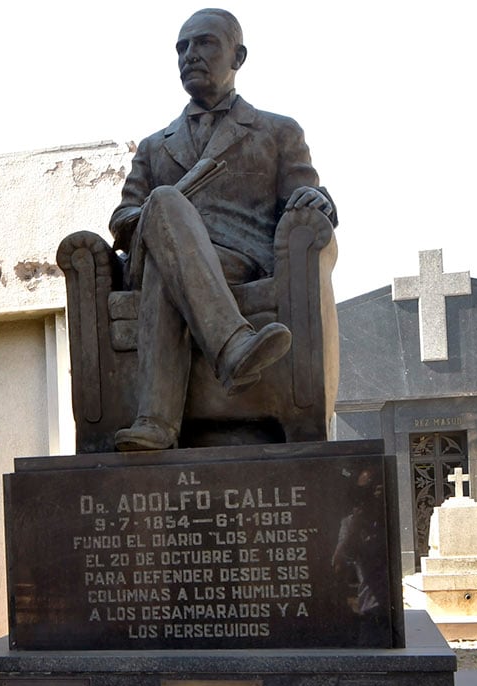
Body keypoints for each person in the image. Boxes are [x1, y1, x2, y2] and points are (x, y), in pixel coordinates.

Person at [109, 8, 337, 450]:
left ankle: (155, 422)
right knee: (163, 203)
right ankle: (232, 345)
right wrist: (161, 214)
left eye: (205, 43)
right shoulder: (155, 146)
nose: (189, 55)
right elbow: (122, 219)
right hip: (152, 248)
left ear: (239, 55)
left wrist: (318, 201)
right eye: (181, 48)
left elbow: (305, 196)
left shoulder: (277, 131)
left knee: (164, 261)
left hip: (240, 261)